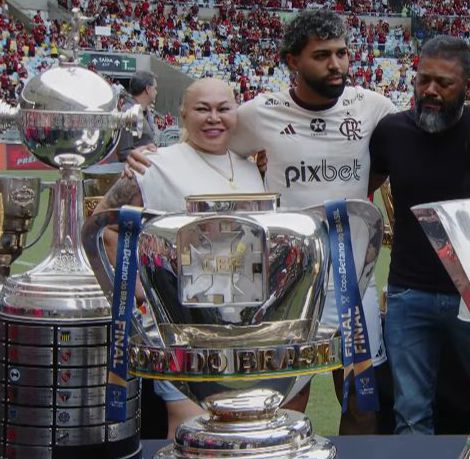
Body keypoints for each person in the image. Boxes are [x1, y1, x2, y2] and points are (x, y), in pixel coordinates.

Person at [127, 9, 396, 435]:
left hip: (352, 277)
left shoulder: (374, 107)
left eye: (342, 53)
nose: (336, 64)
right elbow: (209, 142)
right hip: (288, 279)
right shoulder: (258, 114)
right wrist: (150, 158)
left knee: (362, 394)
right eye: (322, 55)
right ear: (293, 61)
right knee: (287, 394)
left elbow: (395, 154)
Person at [94, 78, 265, 438]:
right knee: (189, 427)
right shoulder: (154, 165)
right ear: (183, 114)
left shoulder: (250, 168)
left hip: (243, 329)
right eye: (203, 109)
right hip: (180, 329)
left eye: (224, 108)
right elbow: (103, 229)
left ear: (237, 112)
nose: (213, 118)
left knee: (236, 428)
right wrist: (144, 295)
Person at [367, 35, 470, 435]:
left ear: (469, 88)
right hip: (407, 295)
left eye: (444, 83)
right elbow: (361, 189)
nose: (430, 90)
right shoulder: (391, 132)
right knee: (410, 414)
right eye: (423, 80)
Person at [117, 70, 159, 162]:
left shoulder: (145, 111)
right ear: (148, 89)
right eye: (155, 88)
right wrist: (145, 150)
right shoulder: (128, 112)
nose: (156, 92)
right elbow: (123, 153)